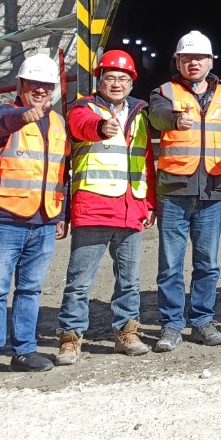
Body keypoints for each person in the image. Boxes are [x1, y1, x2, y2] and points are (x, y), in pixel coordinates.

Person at [0, 53, 69, 384]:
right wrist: (22, 116)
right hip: (5, 218)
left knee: (30, 290)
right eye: (33, 84)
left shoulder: (58, 123)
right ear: (20, 85)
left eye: (46, 86)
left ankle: (24, 350)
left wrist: (60, 214)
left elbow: (60, 172)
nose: (40, 90)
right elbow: (1, 125)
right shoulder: (2, 114)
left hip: (44, 219)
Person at [55, 49, 155, 365]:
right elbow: (81, 126)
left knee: (129, 281)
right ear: (100, 80)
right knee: (79, 282)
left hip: (130, 207)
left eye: (122, 78)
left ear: (131, 82)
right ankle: (70, 339)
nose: (116, 83)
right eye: (110, 77)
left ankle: (127, 333)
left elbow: (146, 160)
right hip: (93, 208)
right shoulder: (83, 108)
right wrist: (101, 127)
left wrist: (150, 201)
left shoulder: (140, 113)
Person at [148, 30, 221, 351]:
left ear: (210, 61)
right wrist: (175, 119)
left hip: (212, 191)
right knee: (170, 265)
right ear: (177, 61)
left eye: (199, 58)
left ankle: (203, 320)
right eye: (187, 58)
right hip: (174, 191)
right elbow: (157, 117)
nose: (193, 63)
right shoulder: (164, 92)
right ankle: (172, 324)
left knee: (207, 263)